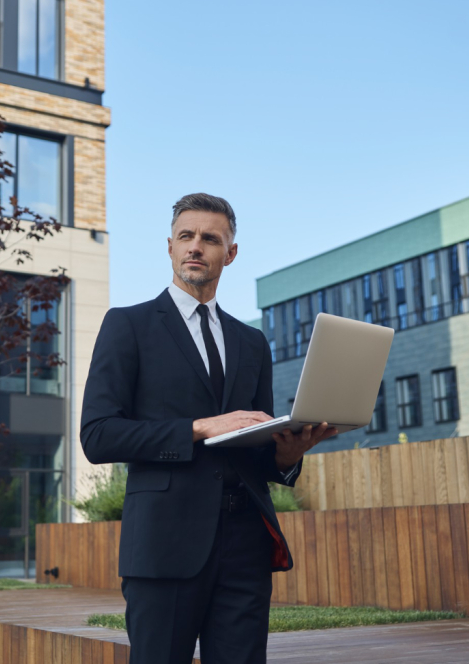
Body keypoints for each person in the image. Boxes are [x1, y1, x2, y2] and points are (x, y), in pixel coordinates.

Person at [80, 193, 337, 664]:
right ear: (171, 247)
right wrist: (199, 427)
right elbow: (98, 435)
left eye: (210, 239)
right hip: (164, 543)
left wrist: (289, 450)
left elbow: (257, 445)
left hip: (245, 542)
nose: (196, 246)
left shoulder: (252, 342)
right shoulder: (127, 326)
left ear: (230, 253)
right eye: (186, 236)